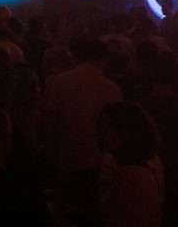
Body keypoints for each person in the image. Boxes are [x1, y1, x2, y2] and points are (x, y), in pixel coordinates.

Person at [42, 37, 123, 210]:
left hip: (68, 157)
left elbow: (51, 124)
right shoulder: (112, 89)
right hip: (99, 161)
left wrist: (52, 155)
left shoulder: (60, 82)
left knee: (68, 212)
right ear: (103, 59)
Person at [98, 101, 166, 227]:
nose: (100, 136)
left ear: (125, 133)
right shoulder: (147, 166)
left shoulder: (128, 176)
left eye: (105, 130)